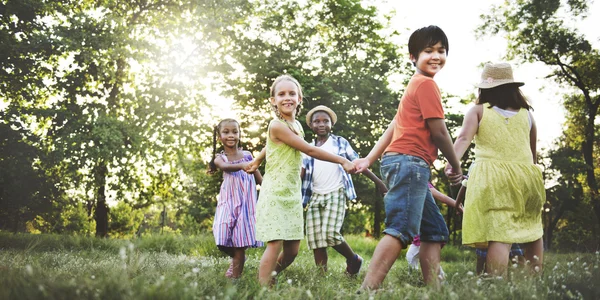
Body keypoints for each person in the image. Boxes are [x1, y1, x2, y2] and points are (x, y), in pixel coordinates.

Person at [353, 25, 463, 290]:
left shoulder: (414, 85)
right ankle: (367, 290)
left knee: (435, 230)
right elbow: (439, 132)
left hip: (404, 162)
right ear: (413, 56)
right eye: (428, 51)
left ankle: (434, 290)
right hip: (410, 163)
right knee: (401, 228)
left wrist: (368, 159)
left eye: (441, 51)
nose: (436, 56)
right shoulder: (426, 85)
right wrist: (456, 165)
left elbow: (393, 128)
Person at [244, 75, 356, 286]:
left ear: (299, 98)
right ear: (273, 100)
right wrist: (342, 160)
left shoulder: (295, 125)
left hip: (292, 193)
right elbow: (309, 149)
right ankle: (262, 288)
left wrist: (258, 158)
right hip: (276, 191)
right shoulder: (276, 125)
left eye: (292, 93)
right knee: (275, 242)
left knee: (292, 251)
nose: (287, 98)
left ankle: (271, 277)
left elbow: (274, 145)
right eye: (282, 94)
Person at [450, 62, 544, 277]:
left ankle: (495, 284)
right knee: (533, 230)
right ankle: (535, 282)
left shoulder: (478, 110)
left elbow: (464, 138)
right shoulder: (528, 115)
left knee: (500, 233)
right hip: (528, 177)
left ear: (484, 88)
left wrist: (452, 162)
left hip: (494, 178)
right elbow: (532, 153)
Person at [301, 105, 388, 275]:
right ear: (311, 125)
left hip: (336, 192)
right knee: (317, 240)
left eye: (325, 121)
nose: (321, 124)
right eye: (317, 121)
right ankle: (321, 277)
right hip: (315, 196)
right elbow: (301, 173)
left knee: (331, 233)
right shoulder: (308, 147)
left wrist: (379, 182)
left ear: (331, 124)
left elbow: (358, 163)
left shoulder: (340, 142)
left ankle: (354, 259)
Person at [208, 118, 263, 279]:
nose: (231, 135)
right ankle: (238, 258)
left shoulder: (247, 156)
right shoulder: (220, 158)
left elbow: (260, 179)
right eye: (226, 132)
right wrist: (241, 166)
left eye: (235, 131)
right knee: (222, 238)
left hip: (246, 205)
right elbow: (226, 168)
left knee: (240, 242)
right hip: (228, 203)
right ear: (219, 137)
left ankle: (235, 277)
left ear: (239, 134)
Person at [406, 182, 463, 276]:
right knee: (429, 259)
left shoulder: (420, 182)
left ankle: (415, 277)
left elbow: (441, 196)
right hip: (422, 231)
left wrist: (457, 205)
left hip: (430, 231)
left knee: (412, 256)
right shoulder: (406, 183)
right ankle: (439, 279)